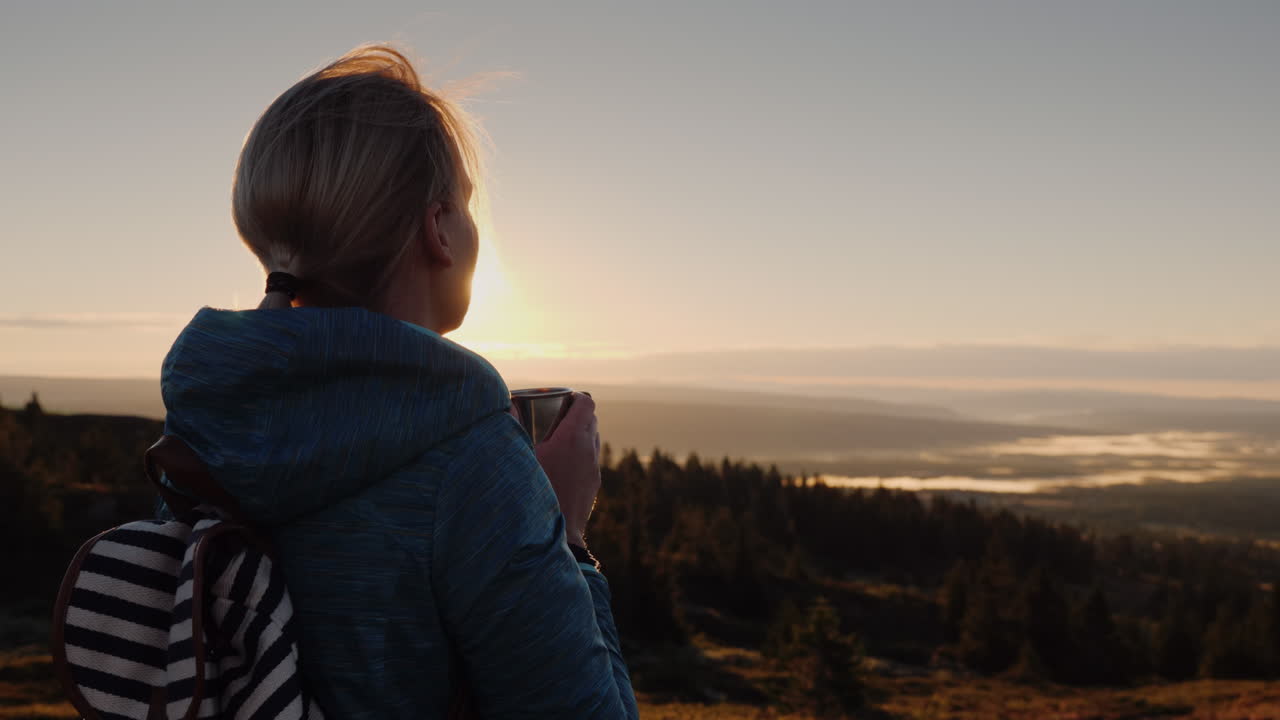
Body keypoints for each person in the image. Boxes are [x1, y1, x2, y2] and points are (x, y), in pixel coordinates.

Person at [157, 44, 638, 719]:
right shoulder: (471, 466)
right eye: (466, 207)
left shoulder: (210, 430)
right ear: (438, 228)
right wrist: (569, 541)